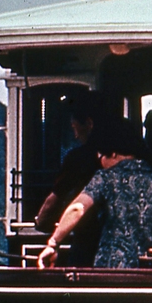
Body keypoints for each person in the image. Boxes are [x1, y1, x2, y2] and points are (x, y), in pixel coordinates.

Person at [38, 117, 152, 269]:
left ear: (113, 153)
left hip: (112, 269)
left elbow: (77, 208)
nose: (100, 162)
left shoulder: (105, 178)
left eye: (100, 156)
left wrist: (53, 243)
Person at [35, 91, 105, 266]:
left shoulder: (78, 158)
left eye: (74, 127)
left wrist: (42, 223)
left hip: (87, 238)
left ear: (88, 124)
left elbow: (58, 197)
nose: (74, 135)